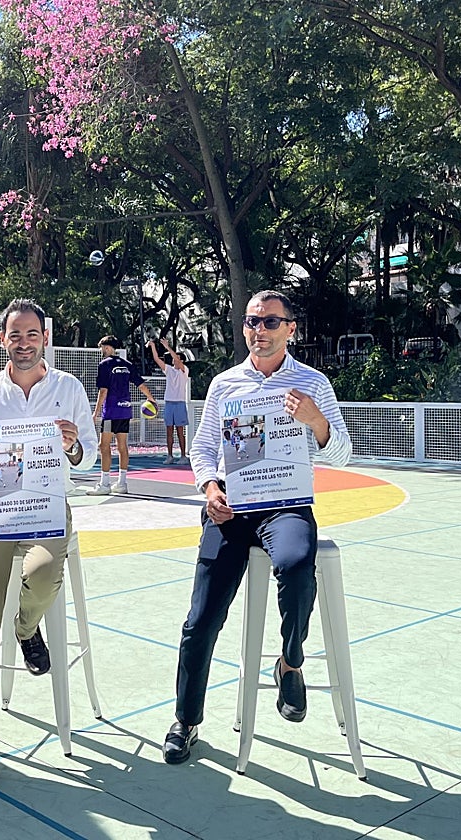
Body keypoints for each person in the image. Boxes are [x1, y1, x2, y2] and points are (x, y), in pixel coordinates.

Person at [162, 290, 352, 765]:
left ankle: (290, 662)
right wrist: (209, 488)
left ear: (291, 328)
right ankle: (186, 719)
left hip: (285, 505)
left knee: (294, 564)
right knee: (201, 617)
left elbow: (342, 454)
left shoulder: (314, 383)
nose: (259, 331)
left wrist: (317, 421)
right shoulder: (225, 384)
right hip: (231, 508)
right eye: (252, 322)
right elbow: (203, 449)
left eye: (270, 322)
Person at [0, 299, 98, 800]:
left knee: (39, 573)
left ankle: (27, 626)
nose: (24, 342)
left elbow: (87, 461)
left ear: (44, 339)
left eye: (31, 333)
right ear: (2, 341)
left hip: (45, 515)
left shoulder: (69, 390)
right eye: (14, 335)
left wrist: (74, 445)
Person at [89, 335, 155, 496]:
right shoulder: (128, 365)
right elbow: (140, 383)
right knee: (122, 446)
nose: (101, 351)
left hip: (111, 411)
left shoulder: (104, 364)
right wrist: (151, 399)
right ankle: (122, 483)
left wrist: (96, 412)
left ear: (107, 347)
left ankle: (104, 484)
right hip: (125, 410)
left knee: (103, 446)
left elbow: (103, 390)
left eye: (102, 348)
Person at [148, 338, 190, 464]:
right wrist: (153, 346)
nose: (173, 360)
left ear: (181, 360)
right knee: (169, 431)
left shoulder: (184, 370)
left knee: (180, 431)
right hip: (169, 403)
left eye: (176, 358)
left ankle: (183, 456)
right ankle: (170, 455)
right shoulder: (169, 370)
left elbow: (177, 359)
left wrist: (167, 346)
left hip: (179, 403)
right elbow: (157, 359)